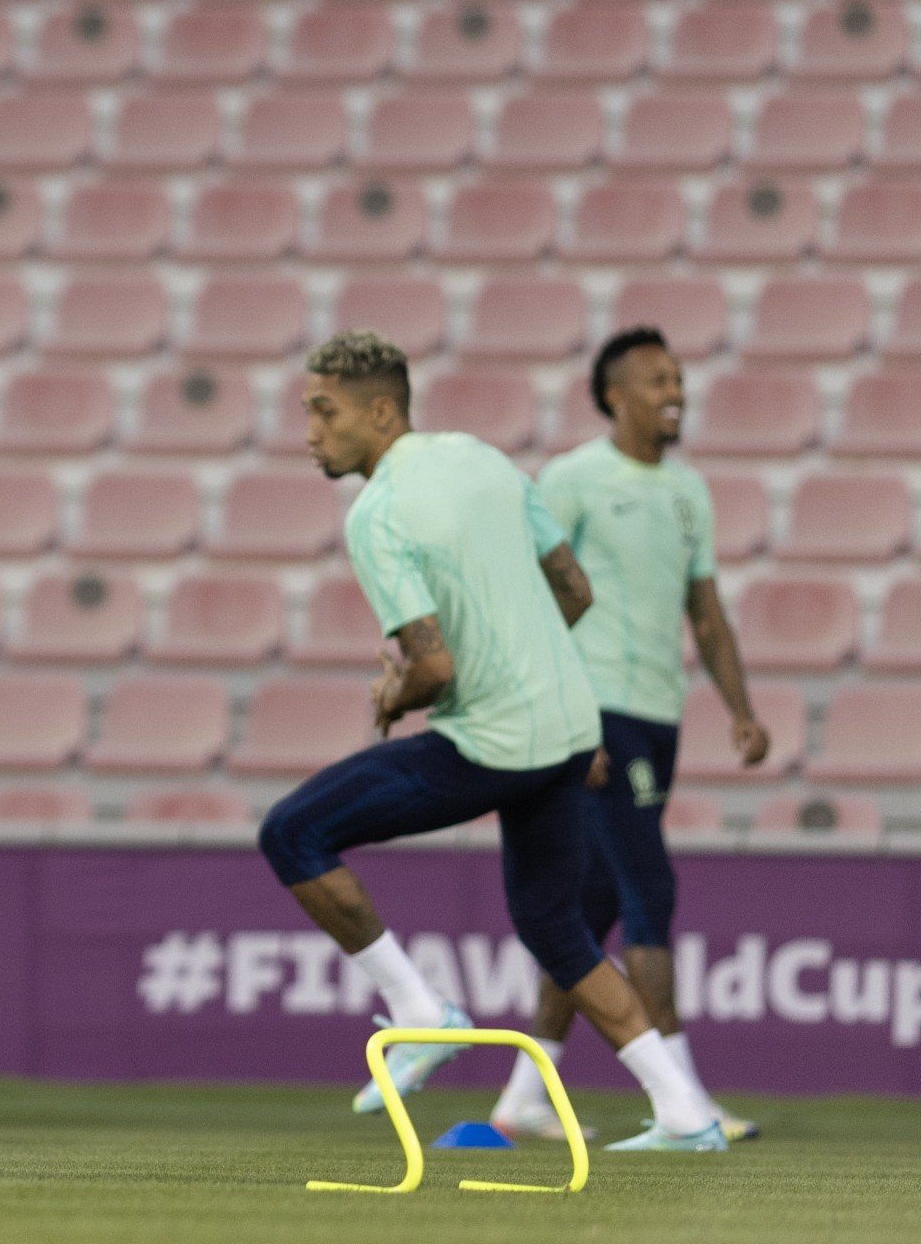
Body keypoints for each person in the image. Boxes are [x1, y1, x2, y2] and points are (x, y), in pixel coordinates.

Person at [256, 331, 726, 1152]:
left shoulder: (377, 514)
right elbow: (572, 588)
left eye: (323, 412)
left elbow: (433, 666)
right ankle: (685, 1112)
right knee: (556, 926)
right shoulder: (483, 457)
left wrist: (394, 692)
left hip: (494, 742)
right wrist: (529, 667)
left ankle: (419, 1012)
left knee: (292, 831)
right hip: (572, 731)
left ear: (379, 411)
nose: (309, 432)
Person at [489, 328, 769, 1143]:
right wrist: (571, 715)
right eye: (655, 379)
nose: (673, 390)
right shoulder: (574, 478)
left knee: (593, 905)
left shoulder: (688, 493)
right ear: (613, 395)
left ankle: (522, 1094)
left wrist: (740, 707)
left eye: (677, 378)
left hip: (660, 714)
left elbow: (705, 613)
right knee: (651, 890)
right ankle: (682, 1101)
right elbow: (535, 596)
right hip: (600, 713)